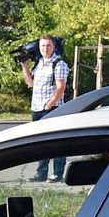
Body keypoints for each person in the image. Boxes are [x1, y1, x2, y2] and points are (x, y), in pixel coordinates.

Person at [21, 34, 70, 181]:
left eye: (48, 45)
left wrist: (49, 105)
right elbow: (31, 84)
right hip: (36, 107)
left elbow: (61, 88)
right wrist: (24, 66)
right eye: (42, 46)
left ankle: (57, 173)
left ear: (53, 46)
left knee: (56, 143)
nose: (45, 48)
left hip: (52, 108)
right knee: (41, 143)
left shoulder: (59, 64)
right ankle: (41, 173)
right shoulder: (40, 63)